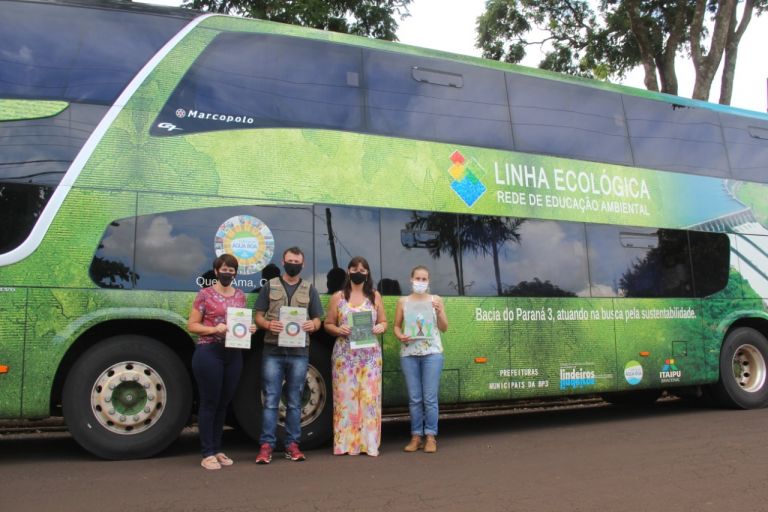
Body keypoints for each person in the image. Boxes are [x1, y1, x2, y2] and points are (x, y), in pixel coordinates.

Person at [253, 247, 323, 464]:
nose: (294, 264)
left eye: (297, 261)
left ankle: (292, 445)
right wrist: (267, 324)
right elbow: (258, 316)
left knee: (294, 402)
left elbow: (318, 319)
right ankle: (266, 446)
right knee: (271, 400)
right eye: (290, 260)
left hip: (299, 353)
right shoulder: (269, 286)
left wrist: (313, 324)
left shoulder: (309, 289)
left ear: (303, 265)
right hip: (273, 350)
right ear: (283, 262)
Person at [188, 253, 256, 470]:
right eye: (224, 269)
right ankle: (206, 453)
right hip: (209, 351)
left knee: (224, 403)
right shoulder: (204, 294)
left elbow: (241, 323)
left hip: (233, 353)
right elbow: (192, 325)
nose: (228, 273)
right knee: (210, 402)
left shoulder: (240, 295)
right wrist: (213, 329)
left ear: (235, 273)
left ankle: (217, 449)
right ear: (216, 271)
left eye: (231, 270)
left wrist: (250, 328)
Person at [324, 256, 387, 456]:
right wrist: (338, 329)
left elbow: (384, 322)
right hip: (345, 357)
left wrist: (379, 327)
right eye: (354, 268)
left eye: (362, 269)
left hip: (370, 357)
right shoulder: (338, 297)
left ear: (367, 273)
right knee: (345, 399)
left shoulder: (375, 296)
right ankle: (346, 444)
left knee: (369, 399)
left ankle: (369, 444)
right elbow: (328, 324)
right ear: (348, 271)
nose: (358, 271)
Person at [393, 265, 448, 453]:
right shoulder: (403, 301)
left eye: (424, 279)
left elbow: (444, 327)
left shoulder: (436, 300)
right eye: (418, 278)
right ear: (411, 279)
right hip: (409, 354)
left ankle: (431, 436)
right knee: (415, 398)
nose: (421, 282)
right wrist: (400, 336)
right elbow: (396, 327)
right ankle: (416, 436)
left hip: (432, 353)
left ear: (428, 281)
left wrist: (440, 311)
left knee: (430, 398)